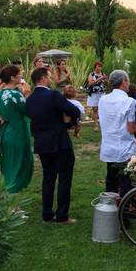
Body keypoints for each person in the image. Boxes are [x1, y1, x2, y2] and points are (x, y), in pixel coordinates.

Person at [26, 66, 80, 223]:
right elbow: (74, 111)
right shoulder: (53, 95)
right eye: (49, 77)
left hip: (42, 142)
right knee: (64, 177)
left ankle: (47, 213)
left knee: (48, 177)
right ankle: (62, 215)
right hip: (59, 142)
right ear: (43, 79)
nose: (50, 80)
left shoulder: (29, 100)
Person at [97, 70, 136, 197]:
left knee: (111, 180)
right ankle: (124, 213)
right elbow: (131, 128)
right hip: (125, 148)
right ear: (124, 82)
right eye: (128, 81)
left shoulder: (103, 100)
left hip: (109, 147)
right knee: (127, 182)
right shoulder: (130, 101)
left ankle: (110, 211)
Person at [0, 65, 34, 193]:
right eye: (19, 74)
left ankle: (8, 197)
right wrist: (27, 94)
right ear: (12, 78)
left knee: (9, 165)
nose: (21, 75)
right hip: (18, 131)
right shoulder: (15, 94)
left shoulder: (0, 93)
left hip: (6, 130)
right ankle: (12, 202)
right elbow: (28, 110)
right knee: (18, 165)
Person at [85, 61, 107, 127]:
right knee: (95, 109)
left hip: (102, 93)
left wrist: (106, 80)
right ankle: (96, 124)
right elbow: (90, 83)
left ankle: (102, 122)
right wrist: (99, 79)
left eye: (101, 66)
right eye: (98, 66)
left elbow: (107, 83)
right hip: (94, 93)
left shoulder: (103, 74)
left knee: (102, 108)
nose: (100, 68)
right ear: (95, 67)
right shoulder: (91, 74)